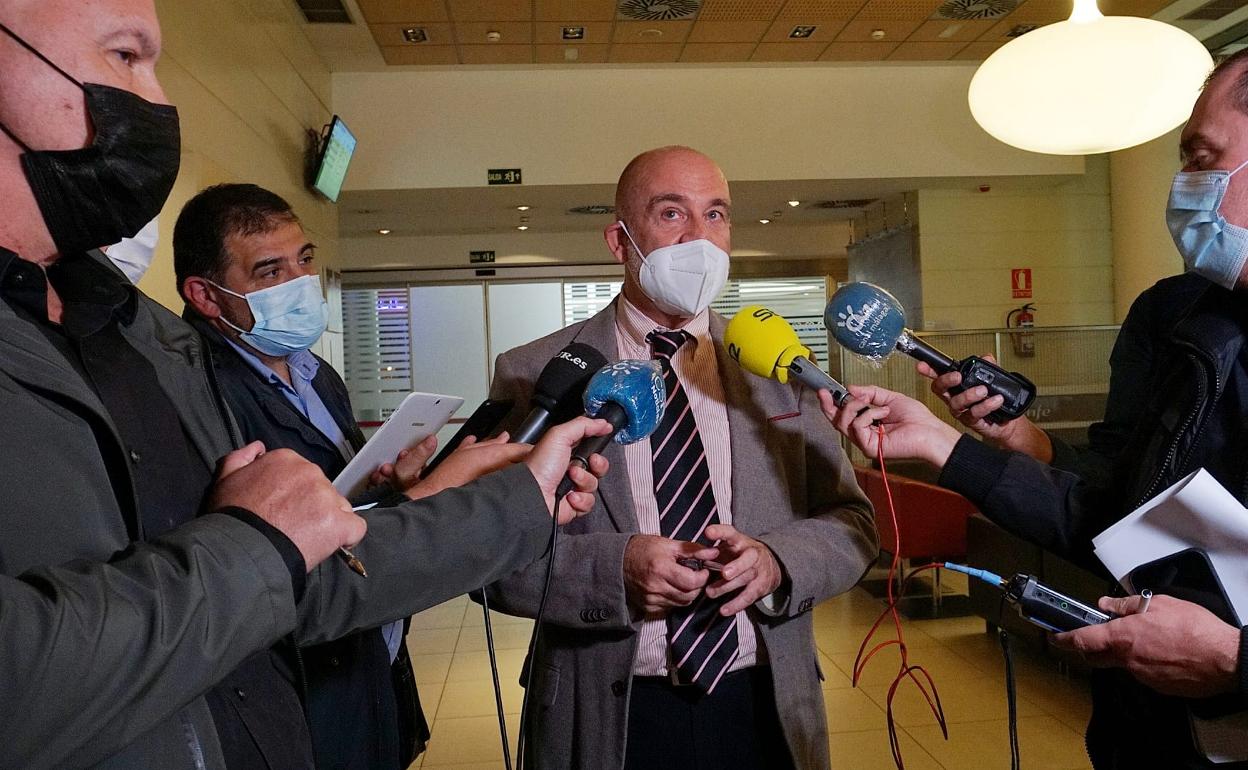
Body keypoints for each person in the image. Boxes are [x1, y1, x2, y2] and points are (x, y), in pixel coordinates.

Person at [0, 2, 609, 768]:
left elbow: (307, 583)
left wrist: (514, 499)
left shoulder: (149, 344)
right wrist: (258, 543)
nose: (158, 101)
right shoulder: (198, 360)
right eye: (125, 57)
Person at [822, 51, 1248, 769]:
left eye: (1204, 158)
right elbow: (1122, 517)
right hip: (1148, 735)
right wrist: (946, 446)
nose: (1184, 185)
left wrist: (1236, 662)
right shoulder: (1183, 323)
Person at [485, 146, 878, 770]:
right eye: (672, 213)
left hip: (764, 702)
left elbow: (853, 524)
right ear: (619, 240)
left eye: (715, 214)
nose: (699, 237)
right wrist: (615, 570)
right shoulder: (535, 372)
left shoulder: (782, 370)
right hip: (608, 712)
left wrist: (777, 562)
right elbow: (489, 558)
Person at [174, 183, 434, 770]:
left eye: (305, 260)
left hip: (367, 648)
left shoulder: (317, 374)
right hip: (298, 674)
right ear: (205, 295)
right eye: (270, 271)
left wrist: (391, 483)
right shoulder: (195, 390)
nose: (300, 283)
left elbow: (340, 492)